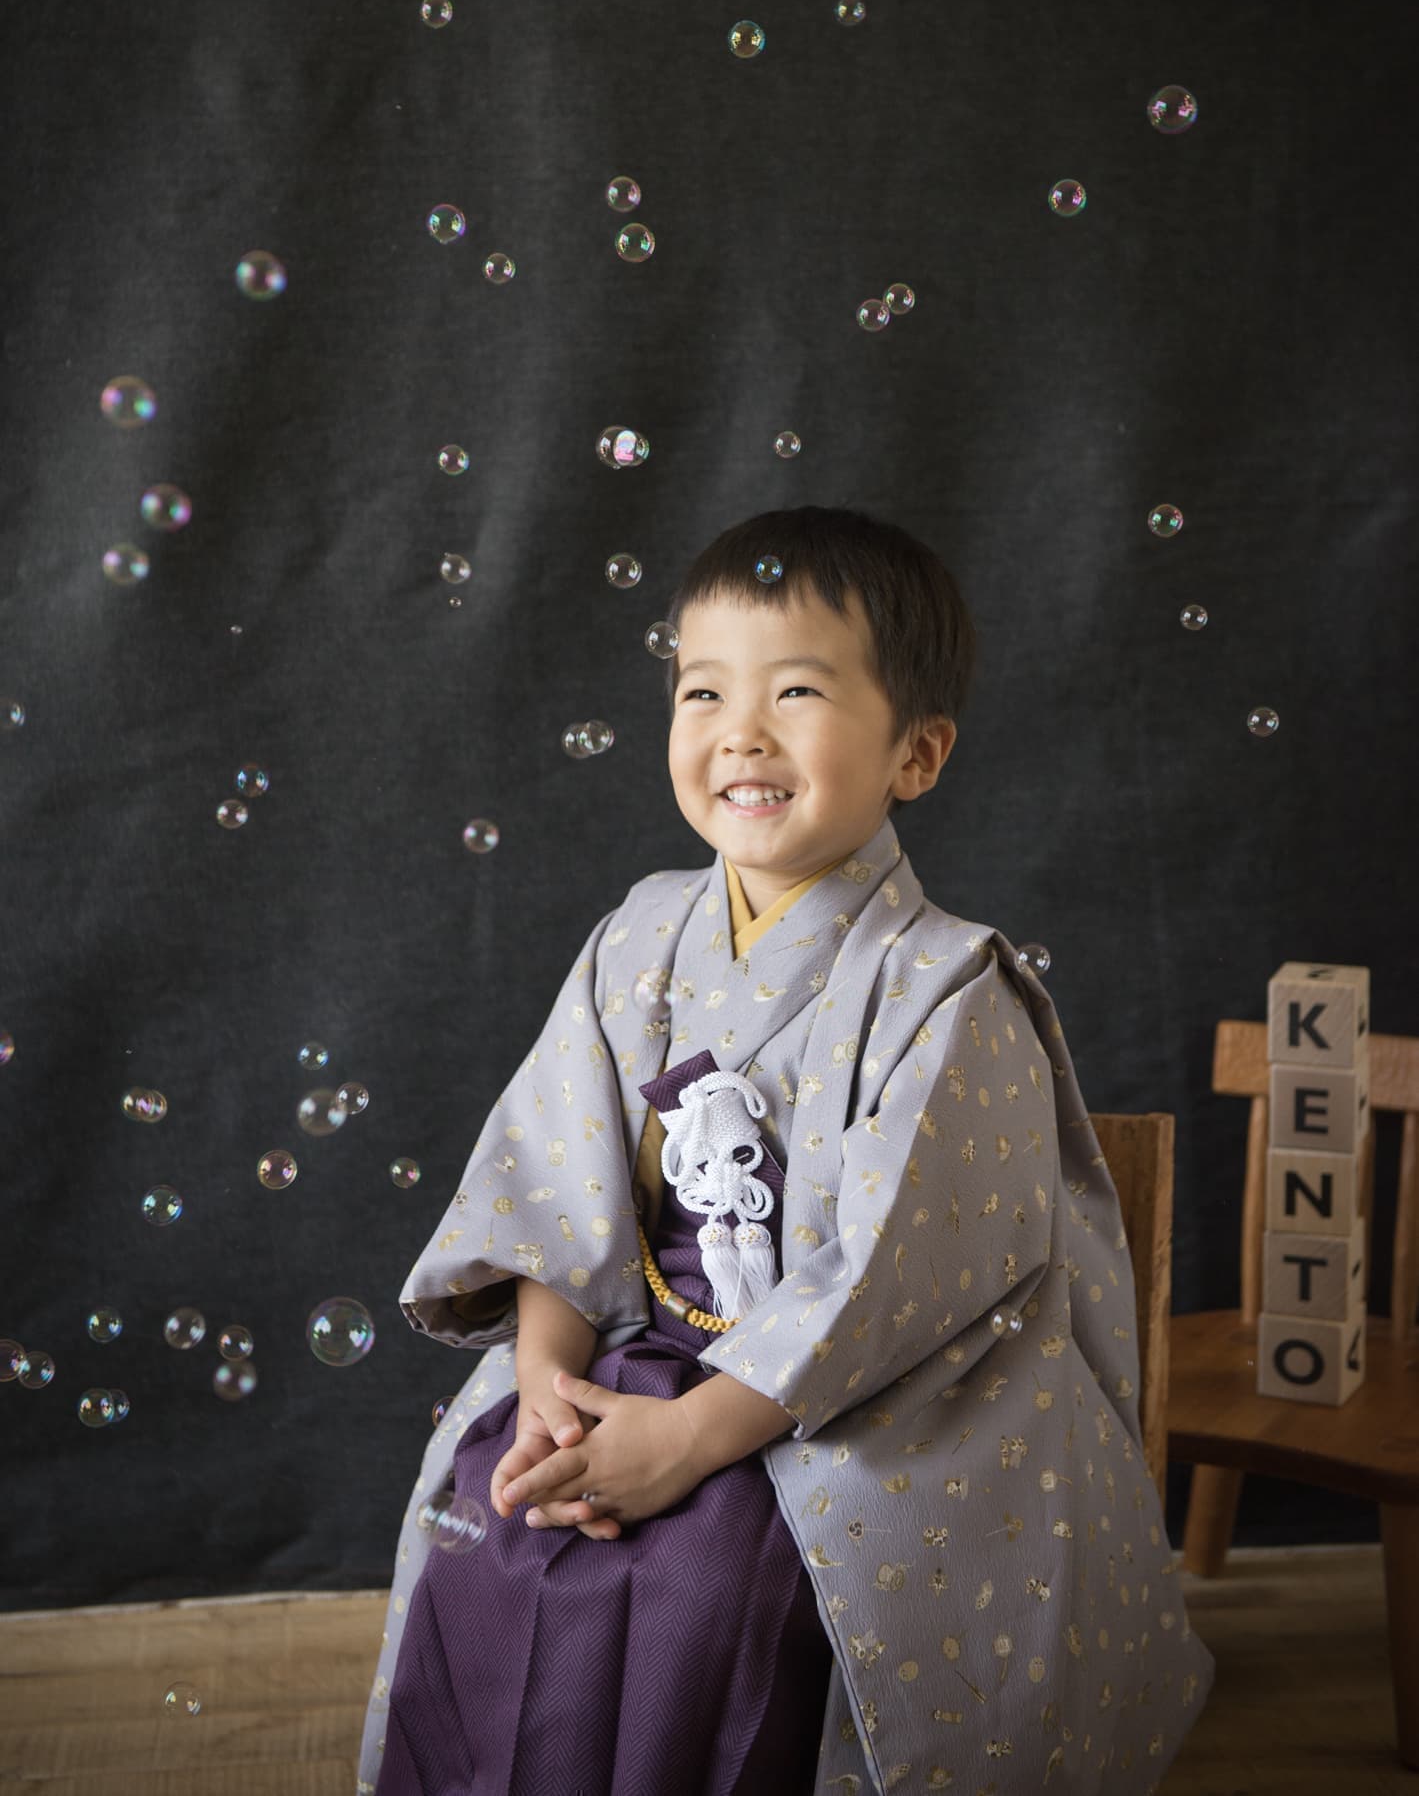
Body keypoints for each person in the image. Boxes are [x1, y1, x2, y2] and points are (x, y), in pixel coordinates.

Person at [358, 503, 1215, 1795]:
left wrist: (693, 1438)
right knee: (495, 1500)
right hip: (640, 1336)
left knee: (721, 1570)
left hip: (859, 1382)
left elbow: (892, 1275)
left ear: (917, 752)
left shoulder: (949, 987)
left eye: (797, 691)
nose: (741, 732)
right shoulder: (638, 935)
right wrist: (544, 1377)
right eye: (703, 690)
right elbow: (553, 1181)